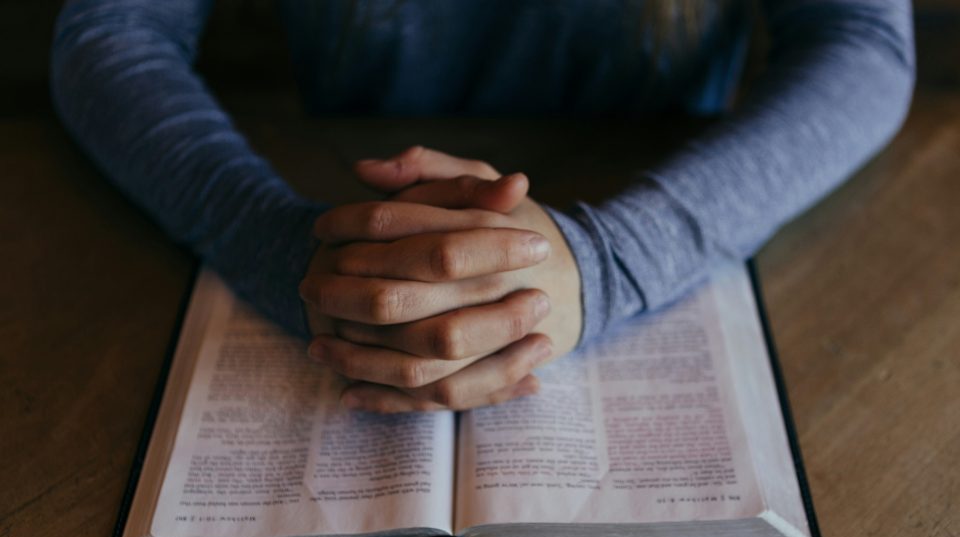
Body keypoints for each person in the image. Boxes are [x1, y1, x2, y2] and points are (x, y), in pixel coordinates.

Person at [50, 0, 915, 412]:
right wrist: (300, 254)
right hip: (349, 197)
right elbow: (109, 33)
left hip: (660, 191)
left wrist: (608, 261)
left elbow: (864, 42)